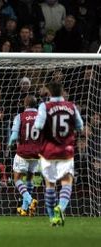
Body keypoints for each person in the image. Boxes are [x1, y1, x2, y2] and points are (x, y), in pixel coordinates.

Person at [34, 81, 84, 226]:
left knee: (50, 184)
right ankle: (60, 208)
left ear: (48, 93)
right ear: (62, 92)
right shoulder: (71, 106)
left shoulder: (44, 106)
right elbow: (80, 126)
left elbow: (38, 125)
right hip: (65, 151)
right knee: (66, 181)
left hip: (48, 151)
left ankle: (52, 217)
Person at [8, 96, 41, 217]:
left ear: (25, 104)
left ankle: (30, 200)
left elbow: (14, 135)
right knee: (29, 179)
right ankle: (24, 208)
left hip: (23, 152)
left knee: (17, 179)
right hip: (37, 153)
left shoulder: (20, 117)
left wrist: (9, 144)